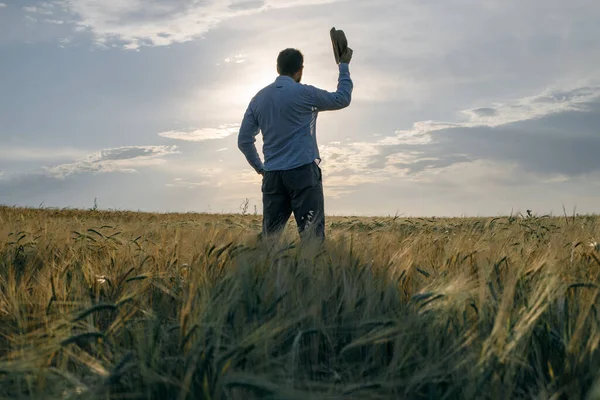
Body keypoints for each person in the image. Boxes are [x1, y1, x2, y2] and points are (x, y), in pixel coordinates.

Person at [237, 45, 354, 242]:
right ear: (300, 70)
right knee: (312, 240)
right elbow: (342, 99)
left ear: (277, 68)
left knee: (269, 240)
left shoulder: (258, 99)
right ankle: (312, 272)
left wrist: (261, 169)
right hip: (303, 173)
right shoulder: (305, 93)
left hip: (273, 175)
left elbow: (244, 141)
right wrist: (343, 65)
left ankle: (267, 272)